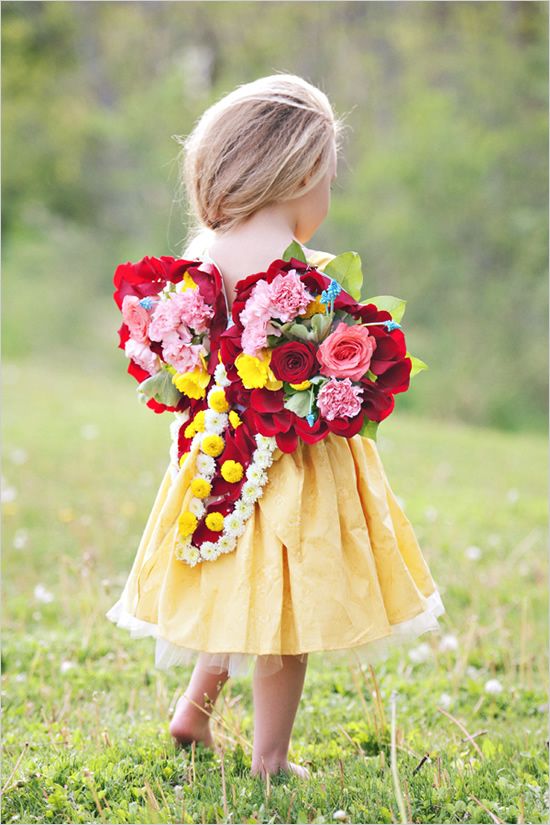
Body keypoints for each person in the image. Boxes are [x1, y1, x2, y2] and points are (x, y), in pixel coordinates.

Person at [106, 73, 446, 781]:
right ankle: (270, 760)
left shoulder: (199, 258)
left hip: (215, 464)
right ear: (301, 174)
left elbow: (185, 357)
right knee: (283, 619)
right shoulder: (302, 273)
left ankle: (195, 711)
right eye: (327, 180)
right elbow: (335, 373)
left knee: (237, 590)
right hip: (293, 472)